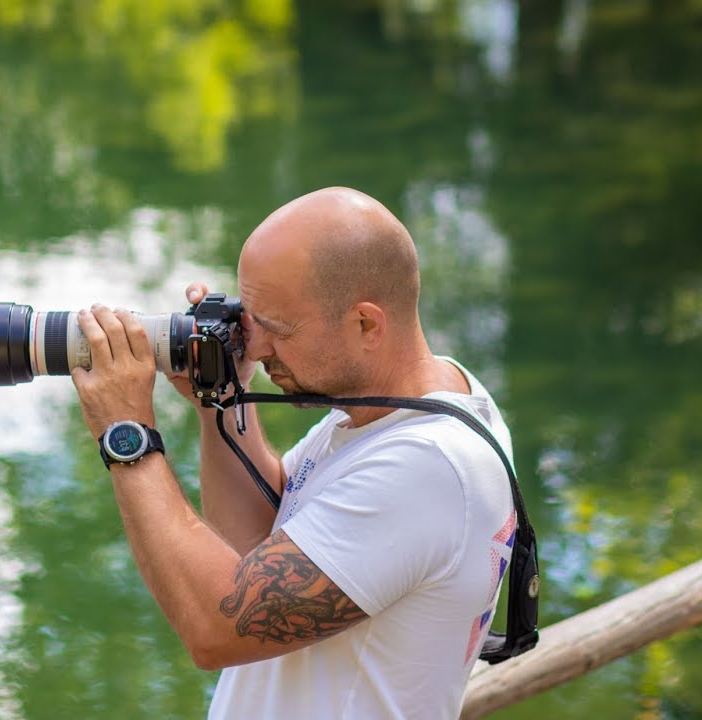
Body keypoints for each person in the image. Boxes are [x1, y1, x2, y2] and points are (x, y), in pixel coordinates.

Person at [70, 187, 516, 719]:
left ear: (366, 324)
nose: (255, 349)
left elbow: (217, 626)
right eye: (251, 321)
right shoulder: (402, 403)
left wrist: (129, 434)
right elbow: (261, 539)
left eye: (277, 329)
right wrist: (220, 402)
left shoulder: (428, 467)